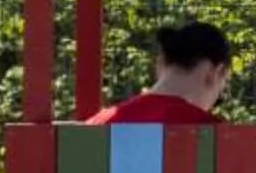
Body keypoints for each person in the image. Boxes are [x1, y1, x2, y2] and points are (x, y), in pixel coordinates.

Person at [90, 19, 234, 126]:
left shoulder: (98, 123)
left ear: (160, 63)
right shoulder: (211, 132)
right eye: (220, 94)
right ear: (215, 72)